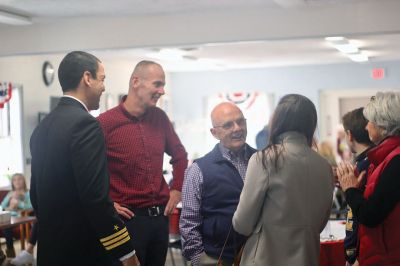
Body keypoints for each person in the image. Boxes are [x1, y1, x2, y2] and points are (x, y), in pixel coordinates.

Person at [30, 51, 139, 266]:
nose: (104, 87)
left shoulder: (43, 127)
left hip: (51, 251)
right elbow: (95, 198)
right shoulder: (85, 124)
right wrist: (128, 255)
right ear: (87, 78)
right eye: (102, 79)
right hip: (83, 251)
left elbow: (37, 195)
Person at [97, 60, 188, 266]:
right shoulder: (105, 123)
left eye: (163, 85)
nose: (162, 91)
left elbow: (180, 156)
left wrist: (177, 189)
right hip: (126, 221)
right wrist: (106, 203)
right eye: (157, 84)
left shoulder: (160, 117)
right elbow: (88, 173)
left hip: (159, 219)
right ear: (136, 82)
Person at [233, 94, 334, 266]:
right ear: (311, 124)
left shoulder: (264, 159)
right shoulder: (325, 166)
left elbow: (242, 224)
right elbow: (320, 223)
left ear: (278, 120)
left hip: (265, 258)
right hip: (307, 258)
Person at [180, 102, 257, 266]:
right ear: (215, 133)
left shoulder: (264, 160)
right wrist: (200, 259)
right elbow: (189, 222)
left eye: (241, 121)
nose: (237, 128)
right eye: (229, 125)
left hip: (260, 255)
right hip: (217, 258)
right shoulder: (198, 169)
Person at [337, 91, 400, 266]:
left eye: (370, 122)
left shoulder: (395, 160)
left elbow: (371, 215)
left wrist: (351, 190)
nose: (366, 128)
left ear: (383, 125)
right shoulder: (385, 158)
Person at [341, 107, 374, 266]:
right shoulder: (364, 163)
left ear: (349, 135)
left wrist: (353, 253)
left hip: (361, 251)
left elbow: (361, 210)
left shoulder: (367, 165)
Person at [1, 173, 32, 258]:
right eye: (14, 180)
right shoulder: (10, 193)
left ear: (24, 181)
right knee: (5, 224)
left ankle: (10, 255)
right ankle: (4, 254)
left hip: (20, 217)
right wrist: (10, 205)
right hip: (9, 216)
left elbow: (31, 206)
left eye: (19, 179)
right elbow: (2, 207)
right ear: (12, 183)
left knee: (6, 226)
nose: (17, 182)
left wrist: (19, 203)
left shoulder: (28, 193)